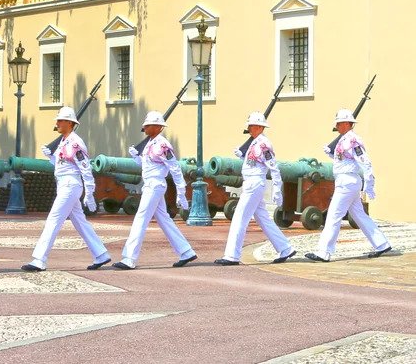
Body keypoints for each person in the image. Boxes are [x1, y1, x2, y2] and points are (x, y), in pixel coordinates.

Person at [22, 107, 110, 272]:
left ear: (70, 123)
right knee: (80, 222)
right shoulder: (64, 141)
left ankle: (39, 259)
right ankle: (101, 254)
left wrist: (90, 192)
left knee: (53, 219)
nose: (57, 123)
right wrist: (51, 156)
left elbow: (85, 168)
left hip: (70, 185)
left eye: (61, 120)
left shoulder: (75, 143)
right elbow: (62, 165)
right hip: (64, 183)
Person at [113, 111, 197, 270]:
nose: (144, 127)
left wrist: (181, 192)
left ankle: (129, 258)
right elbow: (147, 166)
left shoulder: (162, 145)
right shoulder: (150, 144)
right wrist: (136, 157)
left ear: (158, 127)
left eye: (148, 125)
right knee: (164, 219)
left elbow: (175, 169)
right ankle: (186, 251)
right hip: (150, 184)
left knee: (141, 218)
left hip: (156, 185)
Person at [305, 109, 392, 262]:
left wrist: (370, 184)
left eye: (338, 123)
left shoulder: (353, 140)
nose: (336, 126)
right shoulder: (343, 140)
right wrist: (330, 154)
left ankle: (324, 252)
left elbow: (365, 162)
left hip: (347, 183)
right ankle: (381, 243)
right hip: (345, 181)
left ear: (346, 123)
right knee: (359, 215)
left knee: (333, 215)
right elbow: (344, 160)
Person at [215, 112, 296, 266]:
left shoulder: (263, 144)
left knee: (239, 217)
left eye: (251, 126)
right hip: (251, 183)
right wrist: (242, 156)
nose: (249, 128)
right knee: (263, 219)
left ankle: (232, 255)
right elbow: (253, 162)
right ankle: (285, 248)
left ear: (259, 127)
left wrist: (277, 189)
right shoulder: (255, 142)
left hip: (254, 184)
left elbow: (274, 167)